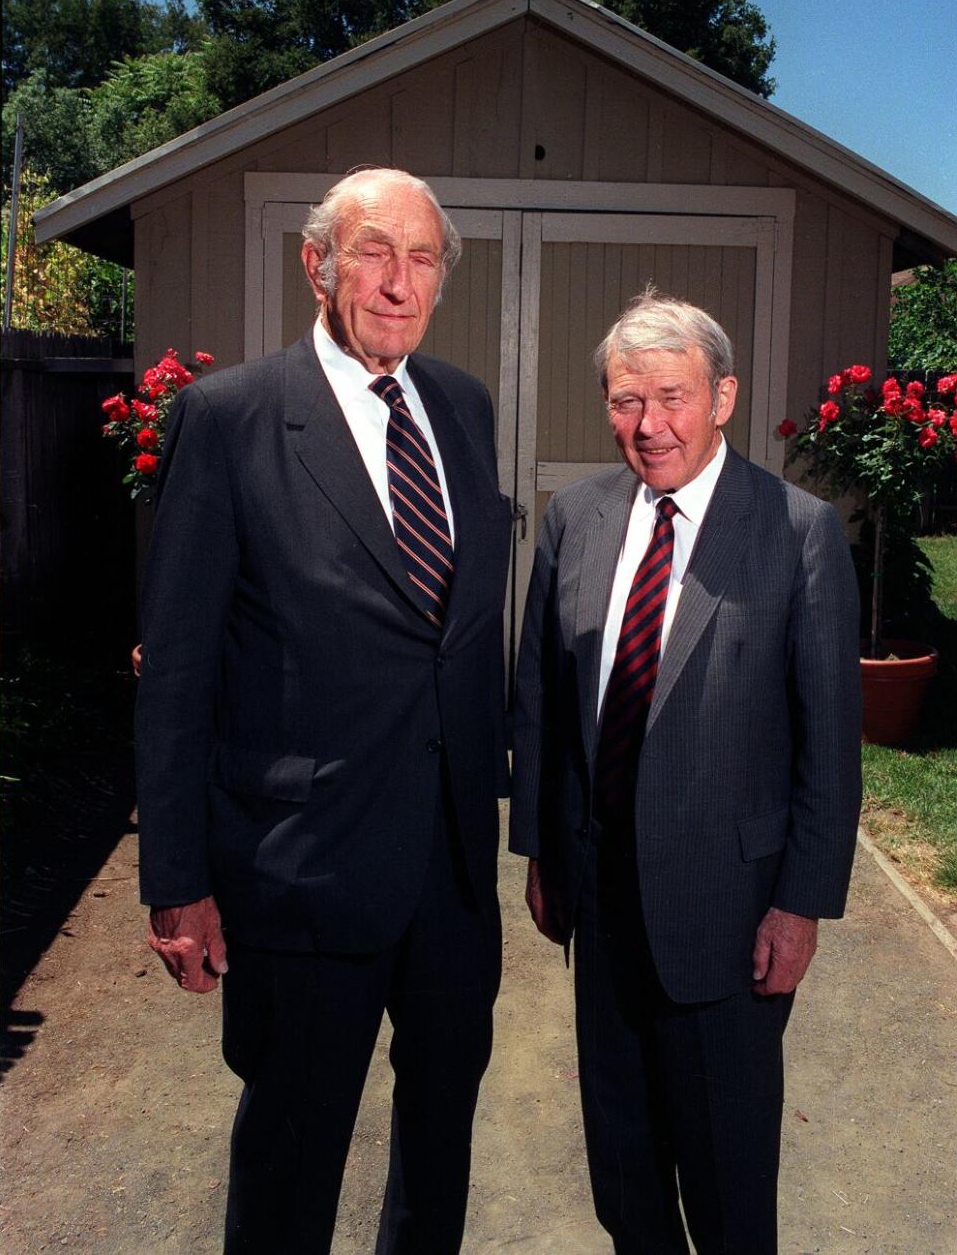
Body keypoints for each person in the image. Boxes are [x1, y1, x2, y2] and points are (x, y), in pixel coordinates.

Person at [134, 167, 512, 1254]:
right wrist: (177, 882)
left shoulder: (464, 404)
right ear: (319, 264)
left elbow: (461, 628)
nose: (399, 283)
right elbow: (178, 674)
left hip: (448, 872)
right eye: (374, 253)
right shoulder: (230, 420)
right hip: (301, 874)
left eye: (423, 258)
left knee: (438, 1159)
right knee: (291, 1168)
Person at [510, 289, 862, 1254]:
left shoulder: (796, 533)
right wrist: (539, 851)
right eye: (626, 401)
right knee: (624, 1182)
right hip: (602, 906)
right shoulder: (576, 517)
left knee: (727, 1187)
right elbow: (541, 697)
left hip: (731, 916)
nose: (648, 424)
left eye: (671, 396)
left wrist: (802, 906)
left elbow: (829, 744)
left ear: (723, 398)